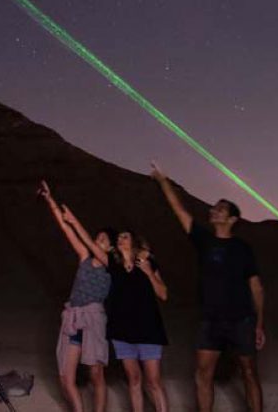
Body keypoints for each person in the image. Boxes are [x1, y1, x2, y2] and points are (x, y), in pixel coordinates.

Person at [152, 163, 264, 412]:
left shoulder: (242, 248)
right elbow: (178, 210)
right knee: (203, 374)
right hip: (210, 320)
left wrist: (258, 323)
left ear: (232, 219)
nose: (213, 210)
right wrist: (163, 182)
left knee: (249, 372)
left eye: (220, 209)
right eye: (214, 207)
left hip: (241, 320)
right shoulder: (204, 240)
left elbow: (256, 287)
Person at [38, 180, 112, 412]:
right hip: (73, 318)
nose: (97, 241)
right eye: (97, 237)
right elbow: (66, 229)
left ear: (109, 248)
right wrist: (51, 201)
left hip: (93, 319)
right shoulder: (84, 258)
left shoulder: (109, 264)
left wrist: (75, 220)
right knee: (65, 377)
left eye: (103, 240)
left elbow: (86, 240)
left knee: (96, 374)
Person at [106, 231, 169, 412]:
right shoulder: (114, 265)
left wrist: (149, 273)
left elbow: (163, 294)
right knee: (133, 379)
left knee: (154, 381)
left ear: (134, 242)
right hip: (122, 331)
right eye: (118, 238)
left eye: (125, 237)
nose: (120, 239)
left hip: (148, 329)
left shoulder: (146, 263)